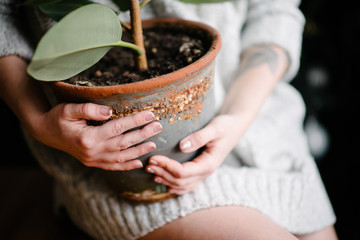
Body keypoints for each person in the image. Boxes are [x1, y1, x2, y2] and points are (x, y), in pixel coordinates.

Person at [0, 0, 338, 239]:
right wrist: (38, 121)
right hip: (127, 178)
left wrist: (237, 118)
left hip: (261, 128)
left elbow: (274, 11)